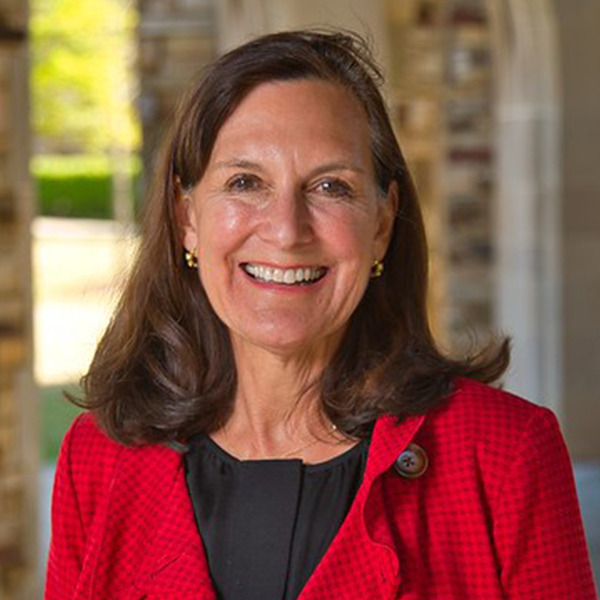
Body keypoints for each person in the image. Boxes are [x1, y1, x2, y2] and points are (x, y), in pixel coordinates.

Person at [45, 30, 596, 600]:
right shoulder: (99, 460)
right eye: (245, 183)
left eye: (332, 186)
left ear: (382, 224)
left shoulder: (504, 455)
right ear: (187, 217)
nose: (287, 230)